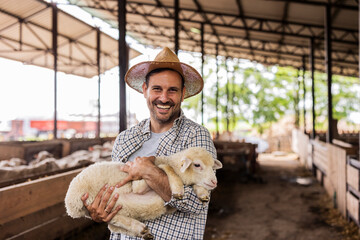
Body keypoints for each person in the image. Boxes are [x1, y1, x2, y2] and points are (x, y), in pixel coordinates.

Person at [81, 47, 217, 240]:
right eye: (157, 89)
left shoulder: (196, 137)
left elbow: (197, 203)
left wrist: (149, 171)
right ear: (145, 90)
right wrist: (97, 213)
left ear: (183, 93)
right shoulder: (126, 139)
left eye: (172, 90)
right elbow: (112, 195)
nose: (163, 98)